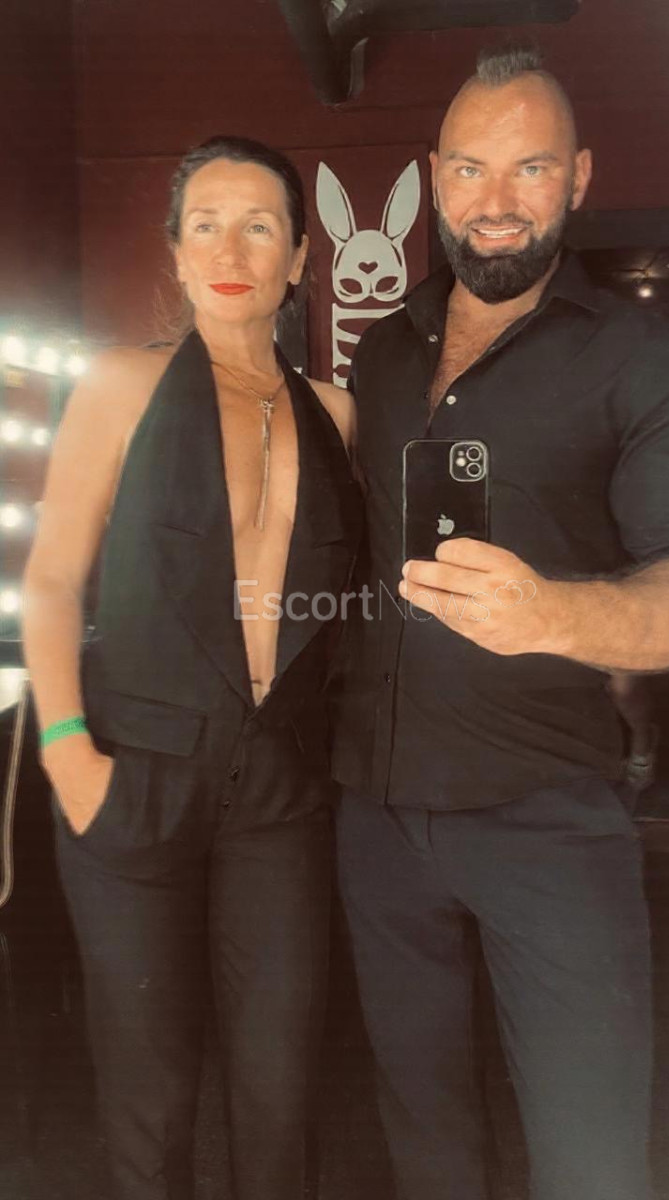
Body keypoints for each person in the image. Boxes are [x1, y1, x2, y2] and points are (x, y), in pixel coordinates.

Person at [331, 46, 669, 1200]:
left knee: (590, 1151)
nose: (498, 199)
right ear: (435, 177)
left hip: (548, 819)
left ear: (578, 177)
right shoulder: (386, 348)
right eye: (471, 168)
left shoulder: (642, 360)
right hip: (376, 812)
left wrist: (551, 613)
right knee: (422, 1129)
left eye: (531, 167)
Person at [22, 136, 360, 1200]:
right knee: (150, 1100)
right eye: (204, 225)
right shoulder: (119, 387)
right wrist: (68, 756)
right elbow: (50, 580)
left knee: (280, 1090)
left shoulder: (335, 413)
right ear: (174, 252)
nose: (230, 249)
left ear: (296, 258)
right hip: (136, 774)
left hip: (280, 798)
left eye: (259, 226)